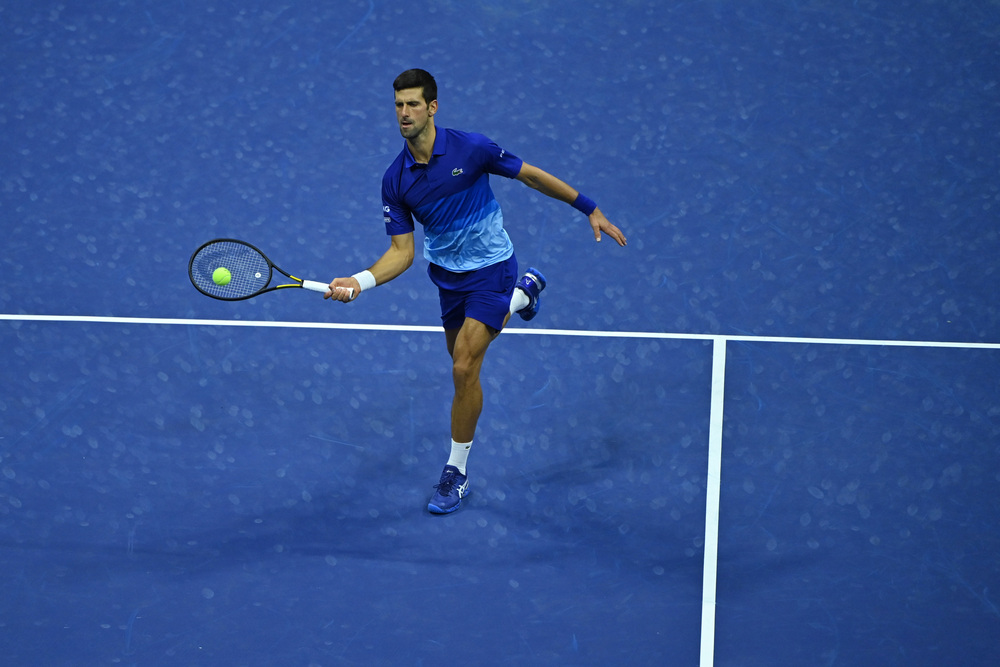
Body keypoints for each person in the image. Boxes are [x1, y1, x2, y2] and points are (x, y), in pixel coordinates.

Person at [325, 68, 627, 514]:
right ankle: (525, 295)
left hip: (492, 267)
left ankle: (456, 471)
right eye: (397, 105)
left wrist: (589, 207)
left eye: (412, 104)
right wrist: (361, 280)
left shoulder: (472, 148)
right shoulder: (396, 180)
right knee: (461, 358)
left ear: (432, 107)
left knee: (465, 367)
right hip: (448, 278)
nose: (403, 113)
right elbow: (402, 252)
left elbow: (531, 176)